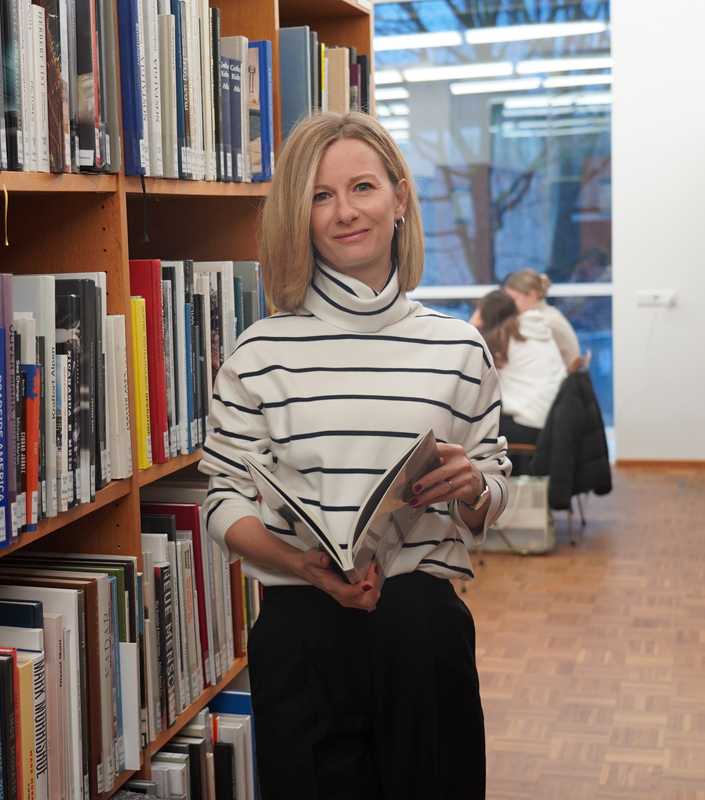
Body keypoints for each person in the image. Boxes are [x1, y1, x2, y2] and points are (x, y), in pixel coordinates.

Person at [198, 111, 511, 800]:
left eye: (362, 187)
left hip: (422, 630)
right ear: (299, 216)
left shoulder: (458, 348)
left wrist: (473, 487)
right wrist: (298, 565)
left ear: (399, 199)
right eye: (319, 195)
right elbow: (221, 500)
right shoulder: (259, 353)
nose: (344, 212)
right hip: (301, 629)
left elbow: (493, 483)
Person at [470, 289, 567, 448]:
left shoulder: (501, 338)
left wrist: (472, 325)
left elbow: (468, 364)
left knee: (469, 428)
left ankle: (486, 473)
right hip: (555, 422)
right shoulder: (536, 330)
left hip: (530, 424)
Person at [502, 269, 584, 371]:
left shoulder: (541, 321)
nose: (510, 306)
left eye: (514, 300)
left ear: (532, 296)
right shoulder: (549, 314)